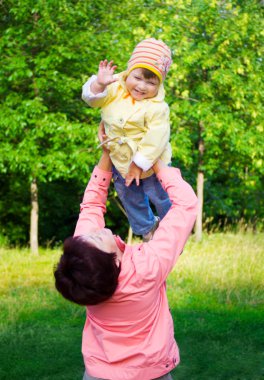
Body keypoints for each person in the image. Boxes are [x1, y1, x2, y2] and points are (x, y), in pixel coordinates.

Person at [54, 148, 198, 380]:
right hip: (152, 374)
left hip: (99, 373)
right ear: (114, 261)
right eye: (98, 238)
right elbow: (186, 205)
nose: (96, 232)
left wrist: (108, 154)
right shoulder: (148, 268)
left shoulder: (87, 268)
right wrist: (158, 160)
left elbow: (91, 206)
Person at [82, 38, 173, 241]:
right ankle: (148, 228)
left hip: (151, 163)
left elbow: (157, 137)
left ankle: (172, 226)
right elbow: (92, 100)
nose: (142, 86)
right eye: (138, 77)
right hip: (120, 161)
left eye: (151, 82)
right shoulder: (115, 88)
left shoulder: (158, 107)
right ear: (128, 71)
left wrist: (139, 163)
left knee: (159, 195)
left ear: (160, 83)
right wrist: (99, 84)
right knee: (129, 197)